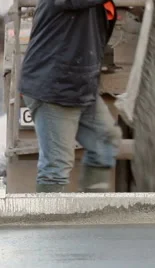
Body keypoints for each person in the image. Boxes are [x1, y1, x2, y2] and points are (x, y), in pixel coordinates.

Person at [19, 0, 122, 193]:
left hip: (80, 84)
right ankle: (47, 221)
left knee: (104, 138)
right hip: (54, 85)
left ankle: (92, 211)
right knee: (56, 167)